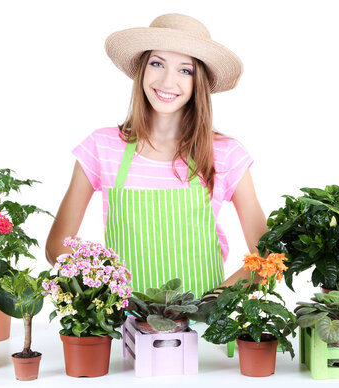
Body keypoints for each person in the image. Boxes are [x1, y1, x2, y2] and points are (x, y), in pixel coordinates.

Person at [45, 13, 266, 297]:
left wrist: (212, 303)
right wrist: (105, 294)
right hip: (125, 326)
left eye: (185, 70)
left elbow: (266, 257)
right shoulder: (102, 147)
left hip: (199, 330)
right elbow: (57, 247)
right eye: (157, 63)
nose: (167, 80)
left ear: (199, 83)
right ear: (142, 69)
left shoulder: (225, 154)